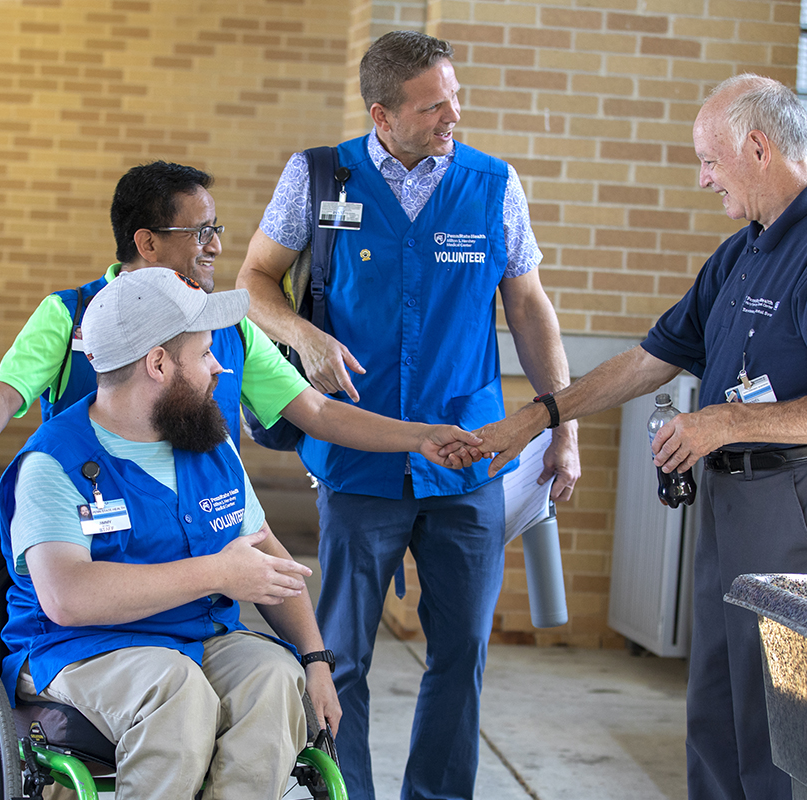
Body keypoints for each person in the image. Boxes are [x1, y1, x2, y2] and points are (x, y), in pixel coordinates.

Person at [469, 74, 807, 800]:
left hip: (806, 504)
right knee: (720, 709)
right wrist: (542, 415)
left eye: (708, 159)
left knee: (798, 729)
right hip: (735, 500)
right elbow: (647, 360)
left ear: (757, 149)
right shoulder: (741, 253)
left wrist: (724, 421)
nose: (702, 179)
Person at [236, 30, 581, 800]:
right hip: (357, 462)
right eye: (434, 107)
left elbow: (529, 309)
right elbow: (253, 279)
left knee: (461, 654)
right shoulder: (318, 177)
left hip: (468, 461)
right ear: (381, 115)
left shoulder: (495, 186)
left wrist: (565, 428)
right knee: (342, 656)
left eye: (455, 99)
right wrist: (303, 332)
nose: (452, 116)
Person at [0, 268, 337, 799]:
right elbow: (67, 598)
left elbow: (265, 554)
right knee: (177, 691)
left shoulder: (208, 444)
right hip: (77, 651)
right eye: (204, 354)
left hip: (195, 639)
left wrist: (315, 661)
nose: (219, 367)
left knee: (275, 676)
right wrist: (217, 572)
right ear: (158, 363)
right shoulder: (52, 464)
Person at [0, 161, 480, 487]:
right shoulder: (70, 313)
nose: (216, 246)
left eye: (215, 228)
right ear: (146, 241)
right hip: (98, 528)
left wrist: (422, 436)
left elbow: (316, 411)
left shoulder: (231, 326)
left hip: (203, 531)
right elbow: (4, 394)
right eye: (199, 231)